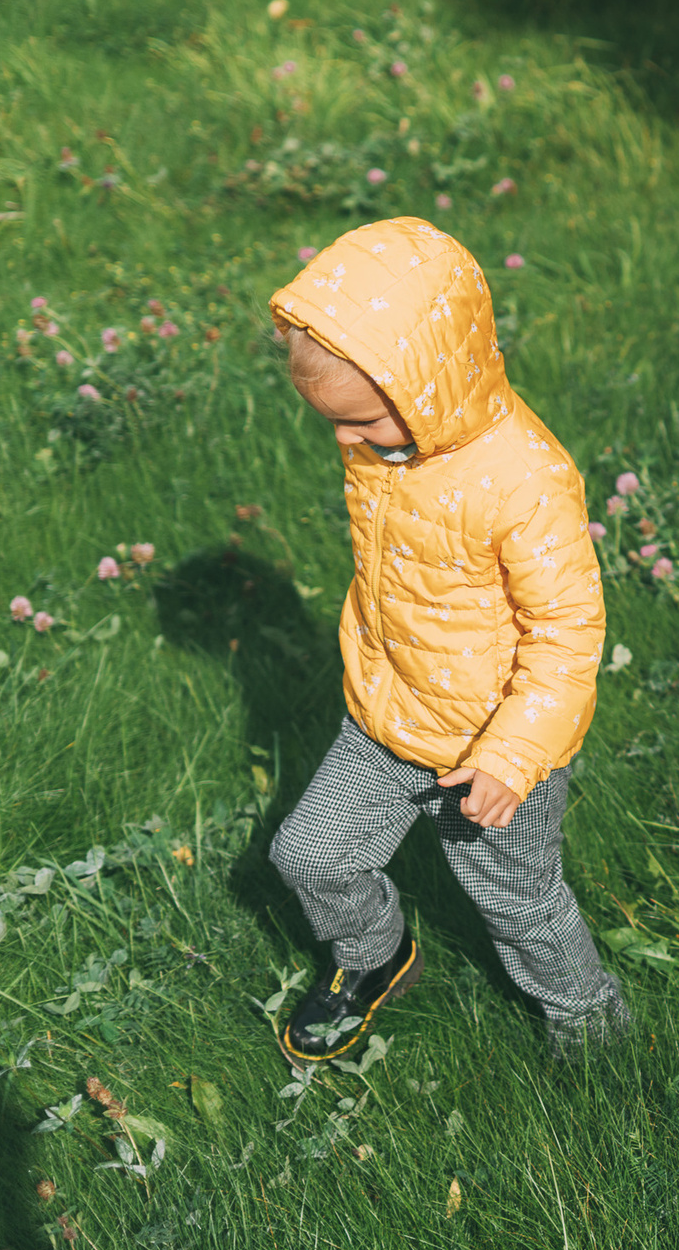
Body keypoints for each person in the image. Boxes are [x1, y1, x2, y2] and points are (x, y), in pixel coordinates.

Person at [262, 217, 627, 1063]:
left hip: (488, 751)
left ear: (426, 384)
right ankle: (378, 956)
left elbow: (567, 631)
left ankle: (595, 1032)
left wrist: (512, 753)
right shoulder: (387, 447)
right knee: (310, 856)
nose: (345, 442)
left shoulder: (526, 480)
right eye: (331, 424)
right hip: (385, 720)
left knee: (520, 903)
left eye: (358, 422)